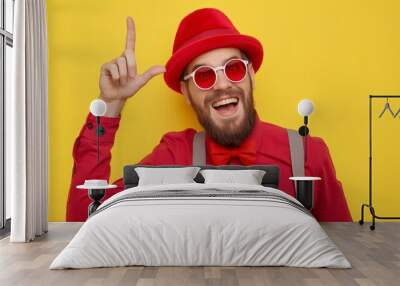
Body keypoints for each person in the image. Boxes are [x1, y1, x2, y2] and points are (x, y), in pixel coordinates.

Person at [66, 8, 352, 222]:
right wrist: (111, 104)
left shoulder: (308, 156)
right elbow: (84, 218)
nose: (223, 84)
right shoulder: (173, 156)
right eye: (204, 75)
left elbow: (346, 247)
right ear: (186, 93)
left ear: (251, 74)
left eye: (234, 68)